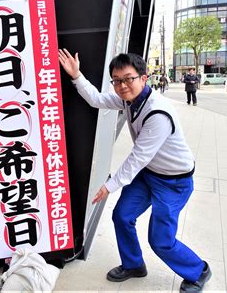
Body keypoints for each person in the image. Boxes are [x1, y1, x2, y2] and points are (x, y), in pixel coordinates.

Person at [58, 49, 211, 292]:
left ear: (143, 77)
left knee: (160, 240)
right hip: (150, 174)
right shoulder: (129, 100)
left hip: (173, 182)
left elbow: (137, 158)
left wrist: (109, 186)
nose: (122, 85)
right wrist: (76, 75)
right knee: (122, 215)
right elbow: (97, 99)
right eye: (117, 80)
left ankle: (198, 270)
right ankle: (134, 265)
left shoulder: (157, 113)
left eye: (128, 78)